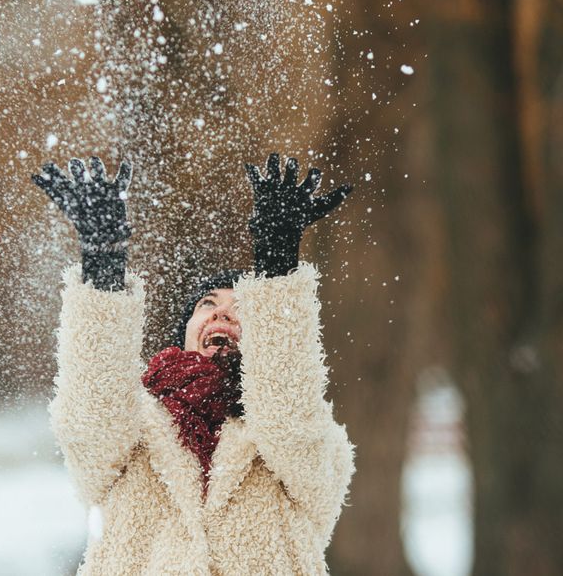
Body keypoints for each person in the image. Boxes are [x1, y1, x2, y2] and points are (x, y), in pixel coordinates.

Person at [32, 153, 355, 575]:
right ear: (184, 333)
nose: (222, 313)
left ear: (269, 332)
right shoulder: (131, 430)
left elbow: (288, 419)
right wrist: (103, 265)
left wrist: (277, 264)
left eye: (243, 308)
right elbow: (90, 419)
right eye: (207, 304)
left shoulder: (308, 441)